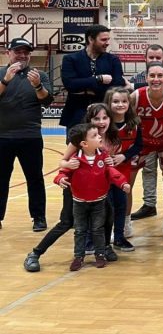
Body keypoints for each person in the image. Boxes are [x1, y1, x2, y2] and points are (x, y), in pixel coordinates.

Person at [23, 103, 121, 272]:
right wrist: (67, 166)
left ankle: (104, 247)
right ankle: (35, 253)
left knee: (109, 214)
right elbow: (62, 162)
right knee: (66, 222)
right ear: (89, 121)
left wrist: (112, 162)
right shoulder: (81, 139)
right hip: (76, 188)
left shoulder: (110, 137)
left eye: (105, 118)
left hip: (98, 189)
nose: (101, 122)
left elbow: (108, 163)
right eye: (96, 118)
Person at [53, 123, 130, 271]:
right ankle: (78, 256)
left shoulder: (103, 157)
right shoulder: (75, 160)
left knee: (98, 229)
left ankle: (100, 254)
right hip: (79, 203)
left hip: (99, 202)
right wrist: (60, 179)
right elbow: (63, 172)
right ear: (84, 143)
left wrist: (122, 183)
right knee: (80, 230)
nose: (100, 136)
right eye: (95, 135)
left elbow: (112, 173)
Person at [0, 38, 53, 232]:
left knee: (35, 178)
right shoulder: (0, 73)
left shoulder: (39, 74)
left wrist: (38, 85)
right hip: (2, 136)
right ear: (8, 52)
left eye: (26, 52)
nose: (22, 55)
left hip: (30, 136)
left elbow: (47, 100)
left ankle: (39, 217)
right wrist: (6, 79)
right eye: (18, 51)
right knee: (1, 178)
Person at [130, 62, 163, 242]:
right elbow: (129, 125)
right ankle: (124, 224)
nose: (156, 79)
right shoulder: (136, 96)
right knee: (127, 181)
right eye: (152, 75)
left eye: (160, 75)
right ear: (146, 78)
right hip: (142, 143)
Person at [60, 24, 125, 131]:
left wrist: (85, 88)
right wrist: (98, 79)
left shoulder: (113, 60)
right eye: (103, 40)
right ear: (90, 39)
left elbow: (118, 84)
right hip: (76, 113)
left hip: (105, 113)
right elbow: (70, 84)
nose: (107, 43)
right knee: (75, 146)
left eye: (108, 39)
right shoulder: (70, 59)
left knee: (105, 147)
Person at [129, 44, 163, 222]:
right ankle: (149, 204)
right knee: (148, 170)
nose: (154, 60)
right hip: (144, 138)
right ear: (145, 59)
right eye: (151, 57)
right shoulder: (136, 80)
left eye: (158, 58)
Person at [104, 87, 143, 252]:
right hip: (103, 172)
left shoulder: (134, 123)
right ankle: (102, 240)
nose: (120, 104)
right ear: (108, 103)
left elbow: (139, 145)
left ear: (129, 103)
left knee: (121, 204)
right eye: (116, 101)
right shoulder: (102, 122)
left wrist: (124, 156)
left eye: (124, 101)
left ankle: (119, 237)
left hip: (123, 170)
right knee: (107, 206)